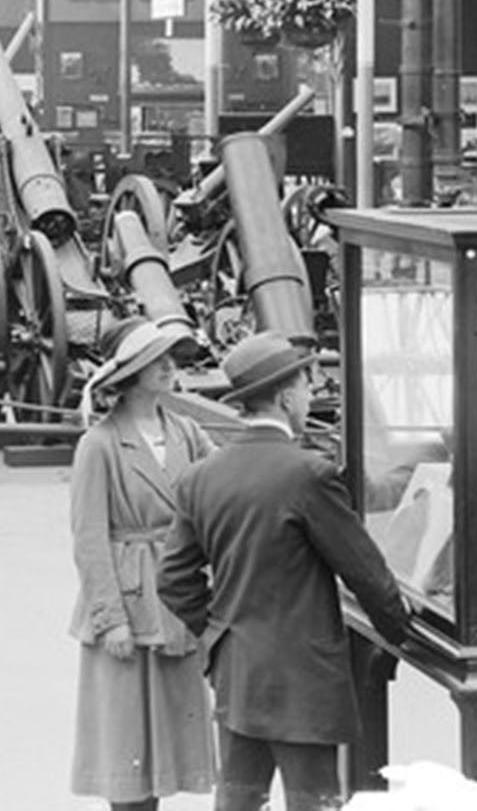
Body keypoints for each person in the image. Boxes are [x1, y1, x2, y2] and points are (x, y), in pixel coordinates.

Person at [157, 332, 410, 811]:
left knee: (238, 798)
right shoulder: (308, 474)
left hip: (237, 671)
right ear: (285, 396)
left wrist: (216, 633)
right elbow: (366, 572)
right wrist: (400, 630)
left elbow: (172, 579)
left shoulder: (200, 477)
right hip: (303, 678)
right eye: (305, 385)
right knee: (312, 800)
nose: (310, 394)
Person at [69, 317, 218, 811]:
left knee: (172, 735)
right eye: (159, 360)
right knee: (127, 744)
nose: (171, 367)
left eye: (172, 357)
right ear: (131, 373)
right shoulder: (100, 444)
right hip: (130, 607)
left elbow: (219, 495)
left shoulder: (189, 432)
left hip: (177, 600)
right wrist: (110, 619)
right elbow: (89, 539)